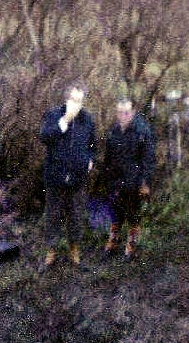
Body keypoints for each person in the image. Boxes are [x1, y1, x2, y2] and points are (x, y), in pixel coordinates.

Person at [39, 85, 97, 267]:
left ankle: (74, 250)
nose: (76, 105)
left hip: (77, 178)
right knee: (53, 216)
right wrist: (64, 120)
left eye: (79, 101)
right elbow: (44, 137)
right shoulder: (53, 115)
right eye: (73, 100)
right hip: (55, 177)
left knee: (75, 216)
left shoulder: (87, 119)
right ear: (66, 99)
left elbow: (93, 146)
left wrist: (90, 161)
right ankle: (51, 251)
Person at [101, 98, 155, 259]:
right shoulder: (114, 132)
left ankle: (131, 246)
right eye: (119, 112)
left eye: (126, 112)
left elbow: (148, 160)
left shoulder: (142, 131)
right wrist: (107, 179)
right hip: (116, 181)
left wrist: (144, 183)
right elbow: (108, 158)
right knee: (115, 212)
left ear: (132, 112)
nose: (122, 115)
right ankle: (113, 242)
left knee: (133, 214)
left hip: (134, 181)